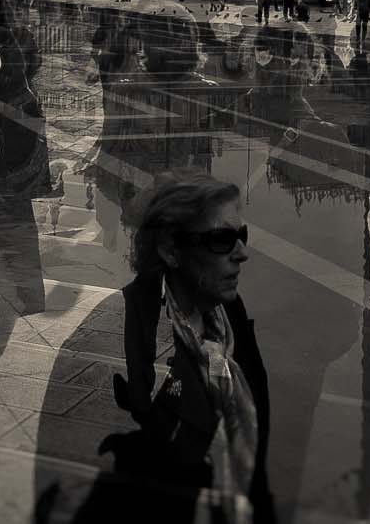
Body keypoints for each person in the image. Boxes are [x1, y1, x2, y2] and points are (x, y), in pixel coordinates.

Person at [99, 172, 274, 523]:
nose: (242, 253)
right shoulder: (129, 329)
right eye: (222, 239)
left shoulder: (228, 311)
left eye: (241, 236)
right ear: (170, 249)